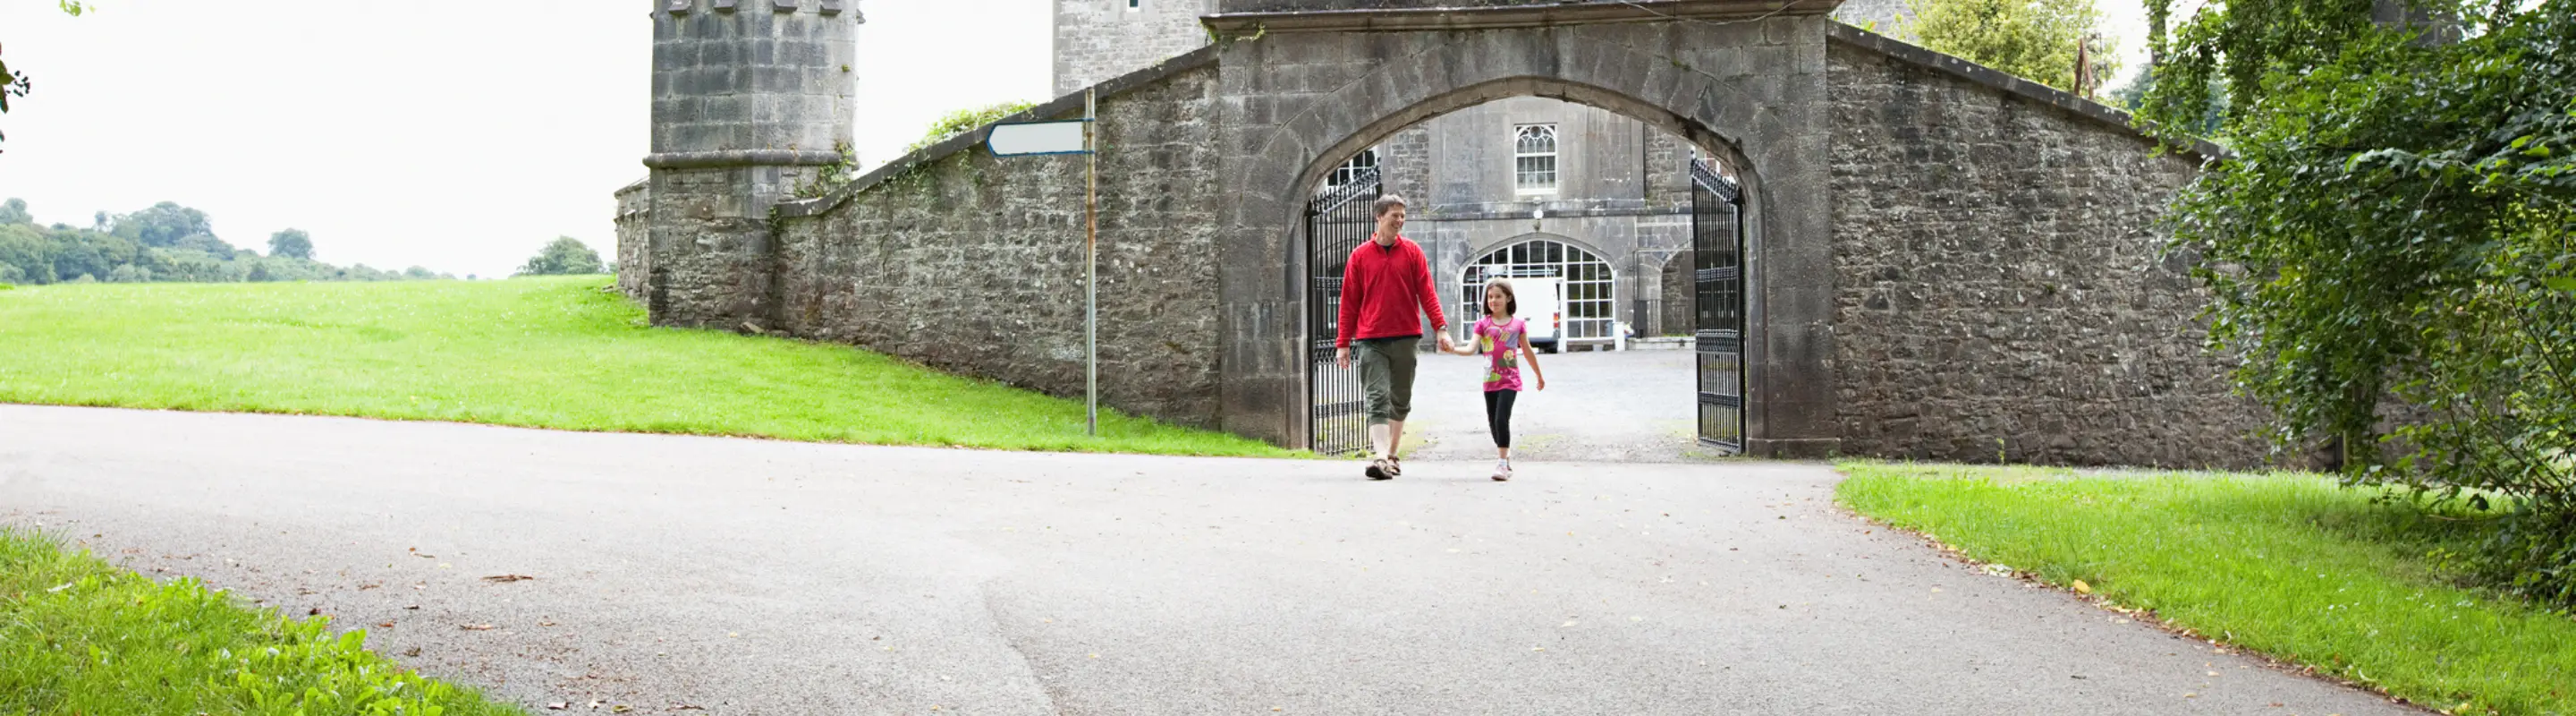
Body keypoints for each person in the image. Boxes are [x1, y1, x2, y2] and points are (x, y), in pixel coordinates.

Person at [1335, 193, 1452, 481]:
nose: (1400, 221)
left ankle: (1391, 455)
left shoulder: (1412, 253)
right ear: (1379, 217)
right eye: (1394, 216)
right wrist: (1342, 344)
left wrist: (1441, 328)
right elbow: (1349, 302)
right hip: (1370, 338)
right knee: (1377, 397)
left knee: (1400, 399)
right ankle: (1379, 455)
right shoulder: (1360, 256)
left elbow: (1427, 293)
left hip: (1406, 337)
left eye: (1402, 216)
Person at [1445, 279, 1545, 481]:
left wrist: (1538, 375)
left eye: (1498, 296)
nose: (1494, 300)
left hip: (1510, 380)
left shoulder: (1517, 325)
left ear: (1508, 298)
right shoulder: (1483, 324)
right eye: (1490, 297)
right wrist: (1453, 349)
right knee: (1493, 423)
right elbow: (1471, 348)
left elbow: (1527, 351)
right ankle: (1505, 459)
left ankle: (1501, 465)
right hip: (1490, 380)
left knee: (1501, 419)